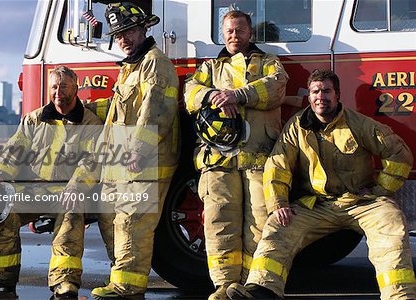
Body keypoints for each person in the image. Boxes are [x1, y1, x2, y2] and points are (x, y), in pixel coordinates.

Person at [226, 69, 416, 299]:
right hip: (317, 205)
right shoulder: (297, 127)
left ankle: (400, 295)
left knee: (392, 223)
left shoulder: (360, 124)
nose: (320, 96)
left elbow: (400, 155)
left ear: (337, 95)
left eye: (327, 91)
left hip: (362, 202)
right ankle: (262, 290)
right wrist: (279, 203)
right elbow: (277, 165)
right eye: (315, 91)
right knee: (278, 227)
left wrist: (380, 191)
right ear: (309, 96)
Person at [0, 66, 114, 299]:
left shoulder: (90, 123)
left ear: (76, 88)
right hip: (33, 190)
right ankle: (1, 277)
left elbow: (92, 162)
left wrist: (76, 186)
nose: (58, 92)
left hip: (68, 191)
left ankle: (64, 281)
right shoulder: (34, 119)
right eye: (54, 87)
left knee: (70, 218)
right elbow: (13, 151)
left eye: (64, 87)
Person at [184, 10, 289, 300]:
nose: (234, 36)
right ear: (223, 33)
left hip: (259, 159)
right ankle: (225, 286)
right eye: (229, 31)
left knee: (261, 223)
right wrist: (211, 96)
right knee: (219, 222)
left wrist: (237, 95)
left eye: (240, 31)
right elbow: (189, 92)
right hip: (218, 160)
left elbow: (277, 88)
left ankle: (254, 286)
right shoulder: (211, 67)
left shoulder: (268, 62)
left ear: (250, 33)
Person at [89, 2, 179, 299]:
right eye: (117, 35)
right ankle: (121, 275)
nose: (123, 39)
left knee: (132, 220)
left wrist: (139, 151)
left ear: (143, 29)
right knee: (108, 215)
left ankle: (129, 286)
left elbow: (157, 111)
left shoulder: (155, 62)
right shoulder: (130, 67)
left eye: (127, 31)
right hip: (119, 159)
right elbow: (120, 111)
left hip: (146, 160)